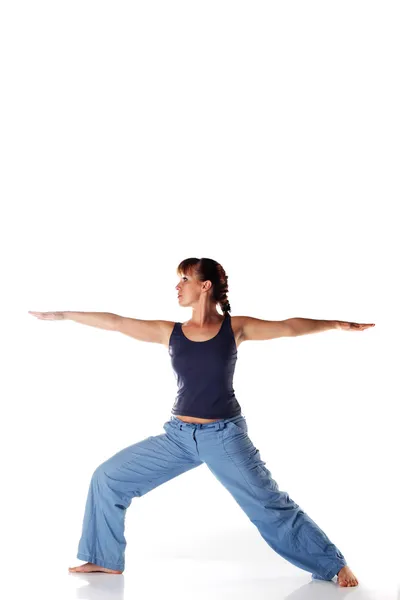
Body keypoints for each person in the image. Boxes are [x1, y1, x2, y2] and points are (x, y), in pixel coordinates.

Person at [29, 257, 374, 586]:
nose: (177, 286)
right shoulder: (171, 331)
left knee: (268, 504)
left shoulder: (234, 328)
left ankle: (333, 564)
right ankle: (104, 557)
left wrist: (336, 324)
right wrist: (64, 314)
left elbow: (288, 327)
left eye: (184, 279)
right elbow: (117, 322)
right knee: (107, 478)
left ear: (205, 286)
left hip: (224, 436)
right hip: (178, 436)